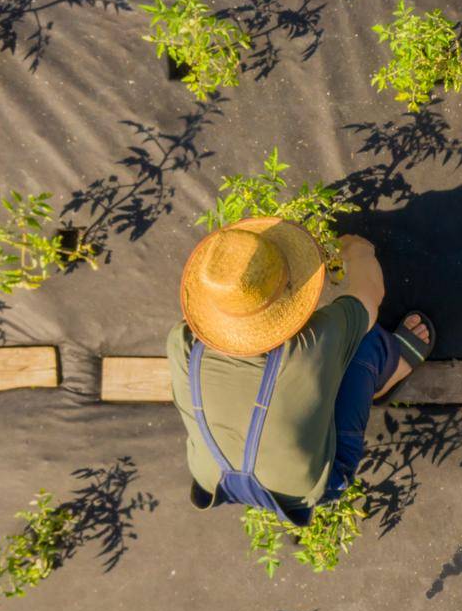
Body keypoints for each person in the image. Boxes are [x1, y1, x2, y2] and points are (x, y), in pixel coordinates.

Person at [166, 217, 434, 526]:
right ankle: (388, 374)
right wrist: (358, 249)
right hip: (320, 480)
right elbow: (370, 294)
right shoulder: (312, 343)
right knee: (364, 341)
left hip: (212, 476)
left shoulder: (182, 341)